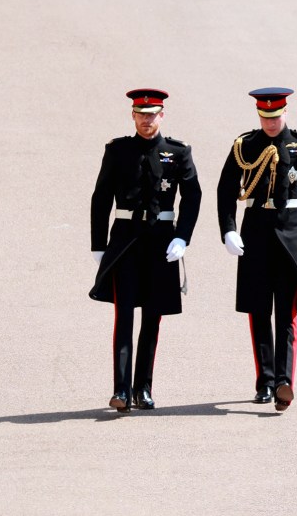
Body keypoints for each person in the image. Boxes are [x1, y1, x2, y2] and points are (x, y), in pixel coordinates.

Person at [217, 88, 297, 412]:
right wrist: (228, 229)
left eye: (276, 116)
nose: (271, 123)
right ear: (259, 115)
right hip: (255, 234)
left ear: (285, 112)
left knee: (287, 313)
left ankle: (284, 383)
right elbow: (226, 189)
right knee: (259, 312)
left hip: (291, 237)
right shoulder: (245, 146)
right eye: (265, 117)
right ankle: (265, 382)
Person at [90, 89, 201, 412]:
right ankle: (121, 390)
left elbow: (192, 196)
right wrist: (99, 245)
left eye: (152, 114)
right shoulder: (119, 150)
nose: (146, 120)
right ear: (133, 115)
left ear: (162, 116)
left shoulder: (177, 152)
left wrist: (182, 238)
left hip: (161, 240)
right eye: (141, 114)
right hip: (125, 240)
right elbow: (101, 198)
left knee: (152, 317)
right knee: (124, 314)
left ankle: (143, 389)